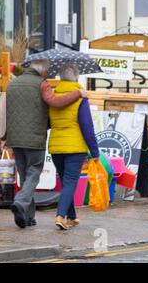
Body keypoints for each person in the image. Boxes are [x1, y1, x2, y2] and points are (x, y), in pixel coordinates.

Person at [1, 59, 87, 229]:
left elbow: (4, 110)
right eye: (47, 71)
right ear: (42, 71)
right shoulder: (42, 84)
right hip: (34, 138)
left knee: (25, 176)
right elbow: (55, 102)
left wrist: (4, 136)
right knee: (33, 173)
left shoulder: (13, 84)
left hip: (15, 138)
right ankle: (20, 201)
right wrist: (78, 94)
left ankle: (28, 216)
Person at [49, 64, 99, 230]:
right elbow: (87, 126)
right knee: (70, 182)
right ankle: (60, 216)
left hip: (56, 146)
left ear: (60, 78)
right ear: (77, 78)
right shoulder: (80, 97)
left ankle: (71, 217)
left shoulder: (53, 96)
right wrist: (95, 151)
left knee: (66, 182)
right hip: (75, 147)